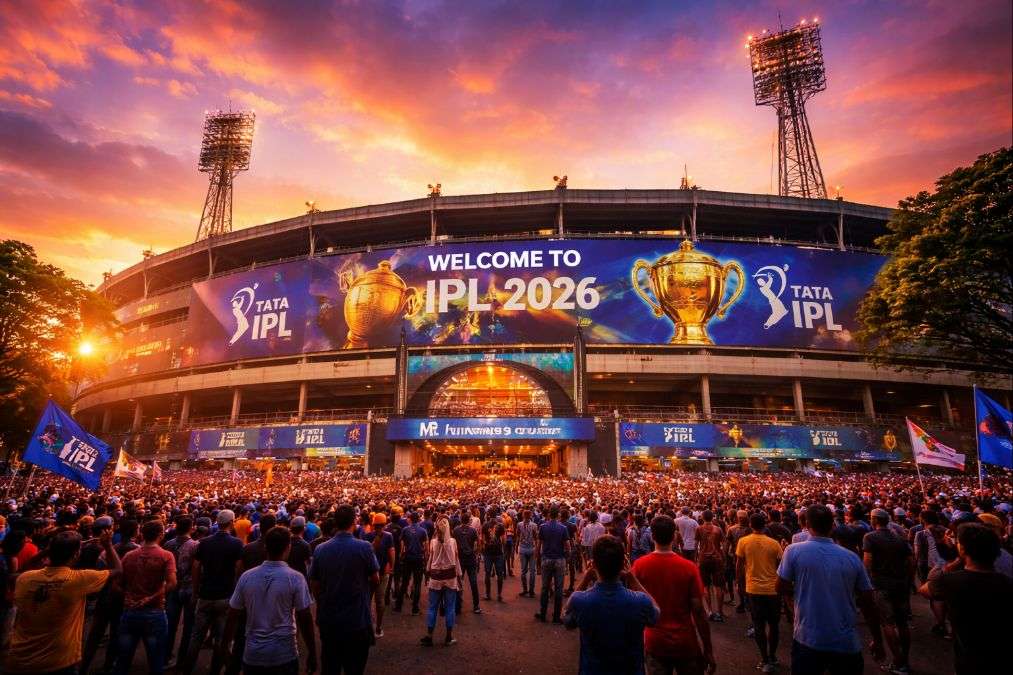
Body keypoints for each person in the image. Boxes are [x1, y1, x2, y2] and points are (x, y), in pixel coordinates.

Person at [777, 504, 885, 675]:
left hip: (807, 637)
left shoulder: (793, 551)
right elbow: (868, 603)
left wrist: (797, 601)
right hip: (846, 641)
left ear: (807, 523)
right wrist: (878, 640)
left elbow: (781, 587)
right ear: (832, 526)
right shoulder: (852, 558)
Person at [4, 530, 122, 674]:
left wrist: (50, 549)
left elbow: (22, 570)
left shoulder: (25, 578)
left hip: (20, 658)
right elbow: (117, 569)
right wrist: (108, 545)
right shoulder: (78, 579)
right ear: (76, 554)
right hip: (59, 661)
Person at [221, 525, 317, 675]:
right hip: (284, 653)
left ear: (266, 547)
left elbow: (232, 615)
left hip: (253, 653)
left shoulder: (247, 576)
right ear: (288, 547)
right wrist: (312, 652)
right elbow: (305, 618)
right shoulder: (296, 578)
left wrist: (225, 646)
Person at [919, 523, 1013, 674]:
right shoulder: (1007, 582)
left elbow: (924, 590)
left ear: (963, 549)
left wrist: (954, 563)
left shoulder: (950, 582)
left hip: (970, 659)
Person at [563, 535, 660, 674]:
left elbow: (567, 619)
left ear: (594, 565)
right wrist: (633, 579)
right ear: (623, 565)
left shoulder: (580, 600)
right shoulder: (639, 601)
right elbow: (656, 613)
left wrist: (585, 580)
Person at [633, 514, 716, 675]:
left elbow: (634, 609)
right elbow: (699, 612)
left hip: (654, 641)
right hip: (685, 641)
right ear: (674, 536)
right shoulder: (689, 567)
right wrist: (708, 649)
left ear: (652, 536)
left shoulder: (639, 566)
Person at [310, 504, 379, 675]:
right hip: (357, 619)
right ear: (354, 522)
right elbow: (375, 579)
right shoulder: (364, 547)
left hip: (330, 619)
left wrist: (323, 601)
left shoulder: (320, 549)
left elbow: (315, 585)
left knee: (330, 667)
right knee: (355, 668)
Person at [182, 509, 244, 675]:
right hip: (225, 595)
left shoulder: (205, 542)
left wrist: (195, 591)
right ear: (231, 522)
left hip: (205, 593)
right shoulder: (237, 543)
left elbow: (196, 567)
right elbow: (239, 569)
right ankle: (215, 670)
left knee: (196, 637)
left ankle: (187, 669)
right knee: (221, 638)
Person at [114, 519, 177, 675]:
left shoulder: (129, 555)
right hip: (154, 611)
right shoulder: (166, 555)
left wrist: (127, 596)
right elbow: (172, 583)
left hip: (130, 610)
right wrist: (152, 597)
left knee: (123, 661)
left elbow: (115, 584)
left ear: (142, 534)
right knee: (156, 661)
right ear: (161, 535)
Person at [862, 508, 913, 674]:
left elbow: (867, 562)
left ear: (875, 520)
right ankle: (904, 658)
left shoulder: (870, 537)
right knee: (902, 622)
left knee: (887, 622)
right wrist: (906, 579)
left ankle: (898, 662)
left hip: (881, 584)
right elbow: (911, 561)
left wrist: (866, 582)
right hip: (900, 583)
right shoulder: (899, 538)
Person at [736, 513, 782, 672]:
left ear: (750, 524)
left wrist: (739, 584)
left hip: (753, 588)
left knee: (759, 624)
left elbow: (739, 565)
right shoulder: (774, 543)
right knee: (774, 625)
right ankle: (773, 656)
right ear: (765, 524)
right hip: (773, 589)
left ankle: (764, 658)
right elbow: (780, 566)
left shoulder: (743, 541)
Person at [422, 516, 462, 646]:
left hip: (435, 577)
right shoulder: (453, 542)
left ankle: (429, 636)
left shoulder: (433, 542)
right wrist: (459, 576)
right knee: (450, 607)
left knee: (432, 607)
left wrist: (427, 573)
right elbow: (456, 560)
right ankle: (449, 637)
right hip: (450, 577)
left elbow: (430, 559)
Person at [535, 505, 570, 623]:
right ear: (558, 514)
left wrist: (538, 562)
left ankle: (543, 613)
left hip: (547, 559)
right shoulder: (563, 528)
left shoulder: (543, 527)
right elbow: (567, 547)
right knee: (559, 589)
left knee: (545, 587)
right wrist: (566, 559)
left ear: (549, 514)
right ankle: (556, 616)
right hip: (559, 559)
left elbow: (538, 546)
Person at [364, 513, 394, 637]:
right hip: (382, 572)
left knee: (367, 600)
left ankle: (367, 626)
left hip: (368, 574)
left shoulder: (367, 536)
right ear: (385, 524)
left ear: (373, 524)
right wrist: (391, 566)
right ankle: (378, 627)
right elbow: (391, 552)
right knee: (380, 601)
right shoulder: (388, 536)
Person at [394, 511, 427, 615]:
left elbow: (402, 545)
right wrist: (425, 559)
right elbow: (426, 547)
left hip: (408, 558)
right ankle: (415, 609)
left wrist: (400, 556)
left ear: (411, 519)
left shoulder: (405, 529)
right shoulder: (423, 530)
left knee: (404, 582)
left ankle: (398, 606)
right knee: (417, 583)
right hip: (418, 558)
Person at [695, 510, 725, 623]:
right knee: (719, 586)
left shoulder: (699, 529)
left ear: (702, 517)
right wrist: (724, 557)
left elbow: (696, 544)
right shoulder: (718, 529)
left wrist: (696, 558)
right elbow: (722, 545)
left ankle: (710, 611)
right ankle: (720, 611)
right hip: (717, 558)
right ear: (712, 517)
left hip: (703, 559)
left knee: (706, 586)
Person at [451, 513, 481, 614]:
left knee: (458, 582)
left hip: (460, 559)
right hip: (470, 558)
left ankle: (457, 606)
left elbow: (453, 544)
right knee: (473, 582)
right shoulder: (473, 530)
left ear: (460, 520)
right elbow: (478, 543)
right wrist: (476, 554)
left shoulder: (456, 530)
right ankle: (476, 606)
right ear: (469, 520)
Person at [481, 514, 506, 602]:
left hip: (488, 552)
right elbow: (504, 540)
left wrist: (485, 547)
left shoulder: (485, 525)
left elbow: (482, 539)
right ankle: (499, 595)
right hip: (498, 552)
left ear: (488, 516)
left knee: (487, 573)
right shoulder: (501, 525)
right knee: (500, 574)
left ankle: (488, 594)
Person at [516, 509, 538, 598]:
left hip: (523, 548)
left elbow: (517, 535)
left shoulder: (519, 524)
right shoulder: (534, 525)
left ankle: (525, 590)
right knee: (532, 571)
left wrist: (516, 546)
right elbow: (536, 538)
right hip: (531, 548)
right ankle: (531, 591)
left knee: (523, 571)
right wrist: (537, 548)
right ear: (531, 516)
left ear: (523, 516)